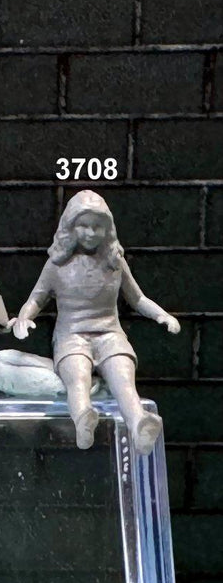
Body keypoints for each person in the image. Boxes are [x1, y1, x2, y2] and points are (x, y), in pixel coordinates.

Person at [13, 190, 179, 454]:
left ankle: (139, 423)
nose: (90, 233)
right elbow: (36, 299)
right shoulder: (56, 265)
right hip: (72, 336)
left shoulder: (115, 263)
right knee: (78, 377)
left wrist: (162, 315)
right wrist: (24, 318)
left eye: (97, 227)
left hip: (110, 334)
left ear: (107, 229)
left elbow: (138, 298)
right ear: (70, 227)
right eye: (84, 226)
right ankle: (83, 418)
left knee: (123, 378)